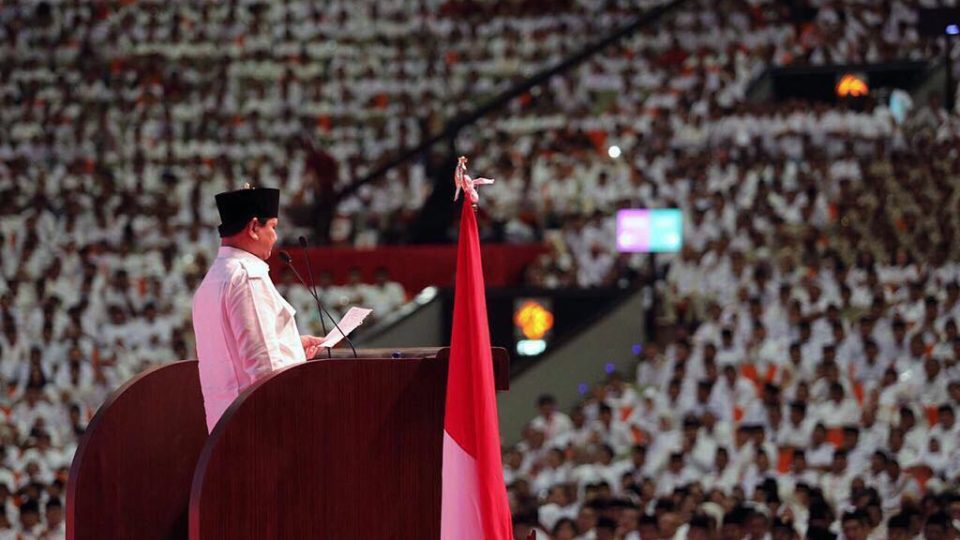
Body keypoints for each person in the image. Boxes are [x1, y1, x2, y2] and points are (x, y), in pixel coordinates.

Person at [192, 187, 324, 432]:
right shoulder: (247, 276)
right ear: (254, 228)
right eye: (272, 227)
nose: (275, 236)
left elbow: (235, 356)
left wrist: (292, 347)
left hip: (226, 427)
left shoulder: (211, 279)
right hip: (261, 429)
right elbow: (265, 369)